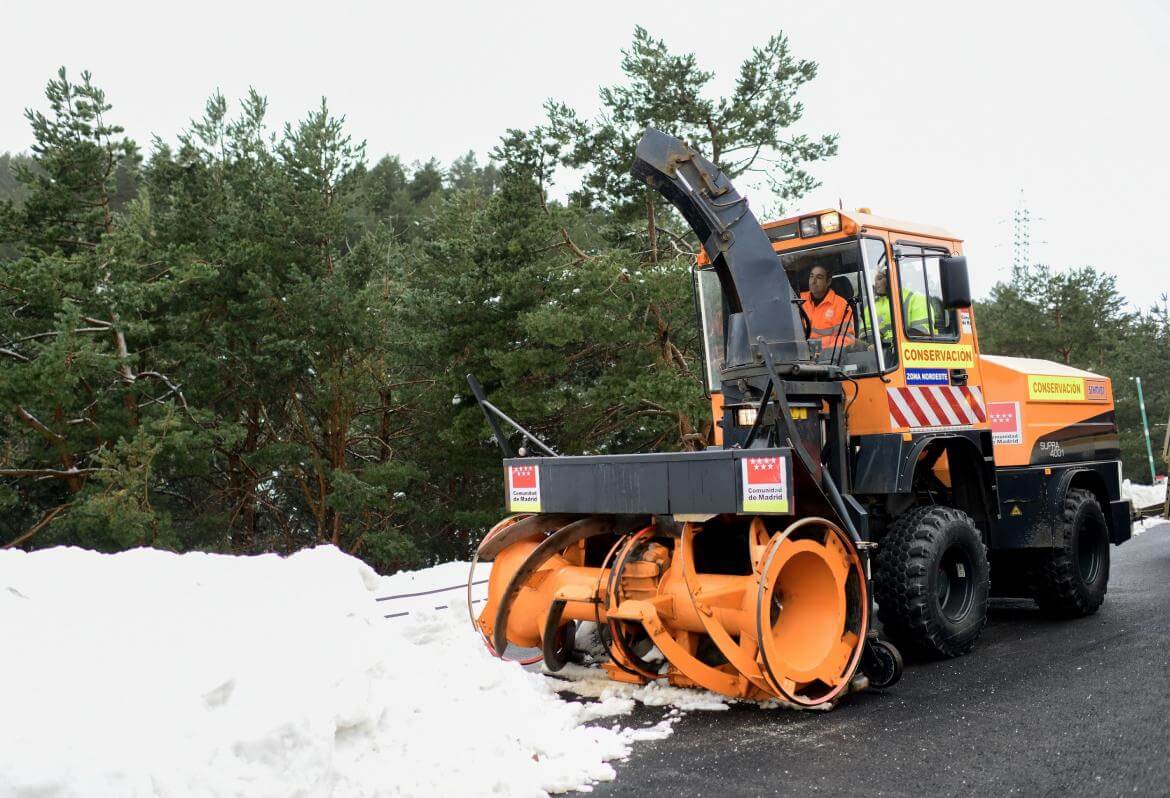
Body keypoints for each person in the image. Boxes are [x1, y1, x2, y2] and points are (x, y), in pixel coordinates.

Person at [801, 264, 855, 352]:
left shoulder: (841, 305)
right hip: (800, 360)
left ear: (828, 282)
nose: (813, 281)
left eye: (819, 277)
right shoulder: (798, 300)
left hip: (829, 359)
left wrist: (821, 349)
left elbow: (847, 339)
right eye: (811, 276)